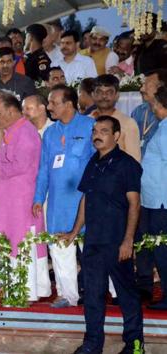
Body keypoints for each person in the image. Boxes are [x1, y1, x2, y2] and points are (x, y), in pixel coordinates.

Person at [63, 116, 143, 354]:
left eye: (104, 131)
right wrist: (75, 231)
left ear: (116, 136)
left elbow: (135, 204)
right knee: (93, 295)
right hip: (94, 241)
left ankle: (135, 346)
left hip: (117, 240)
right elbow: (86, 198)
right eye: (95, 131)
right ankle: (92, 344)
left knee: (127, 295)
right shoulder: (93, 162)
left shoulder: (127, 164)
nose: (97, 135)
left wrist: (128, 240)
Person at [33, 85, 94, 308]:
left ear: (69, 104)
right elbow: (43, 170)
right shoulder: (50, 132)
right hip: (58, 201)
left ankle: (107, 292)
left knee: (92, 249)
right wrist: (39, 198)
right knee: (59, 249)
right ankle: (68, 295)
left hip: (85, 199)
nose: (49, 107)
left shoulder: (90, 126)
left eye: (53, 102)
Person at [0, 92, 50, 302]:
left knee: (22, 240)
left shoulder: (25, 132)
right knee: (10, 240)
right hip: (8, 201)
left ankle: (26, 291)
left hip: (20, 200)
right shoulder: (9, 131)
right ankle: (13, 288)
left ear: (11, 111)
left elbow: (19, 165)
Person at [139, 86, 167, 310]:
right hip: (153, 199)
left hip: (161, 201)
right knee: (158, 249)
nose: (154, 109)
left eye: (156, 105)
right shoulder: (162, 127)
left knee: (162, 250)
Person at [89, 74, 141, 162]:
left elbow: (134, 162)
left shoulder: (128, 123)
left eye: (109, 92)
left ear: (117, 96)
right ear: (93, 95)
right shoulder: (86, 121)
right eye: (100, 92)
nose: (104, 96)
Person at [131, 69, 166, 156]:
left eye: (147, 85)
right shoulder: (138, 111)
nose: (142, 89)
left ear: (160, 87)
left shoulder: (164, 114)